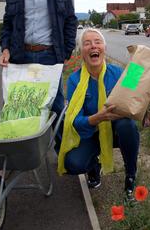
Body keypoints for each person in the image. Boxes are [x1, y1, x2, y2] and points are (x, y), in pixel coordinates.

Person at [57, 28, 140, 199]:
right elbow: (74, 121)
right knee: (72, 163)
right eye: (87, 44)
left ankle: (130, 175)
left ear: (104, 48)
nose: (93, 46)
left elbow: (136, 94)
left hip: (116, 131)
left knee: (128, 126)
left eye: (97, 42)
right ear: (81, 53)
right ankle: (93, 166)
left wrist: (145, 98)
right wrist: (96, 118)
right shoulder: (74, 80)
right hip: (91, 134)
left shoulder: (118, 72)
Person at [0, 0, 78, 121]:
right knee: (22, 105)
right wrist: (5, 48)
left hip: (50, 56)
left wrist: (67, 51)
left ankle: (60, 148)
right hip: (21, 57)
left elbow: (70, 21)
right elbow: (7, 25)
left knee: (56, 105)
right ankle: (28, 146)